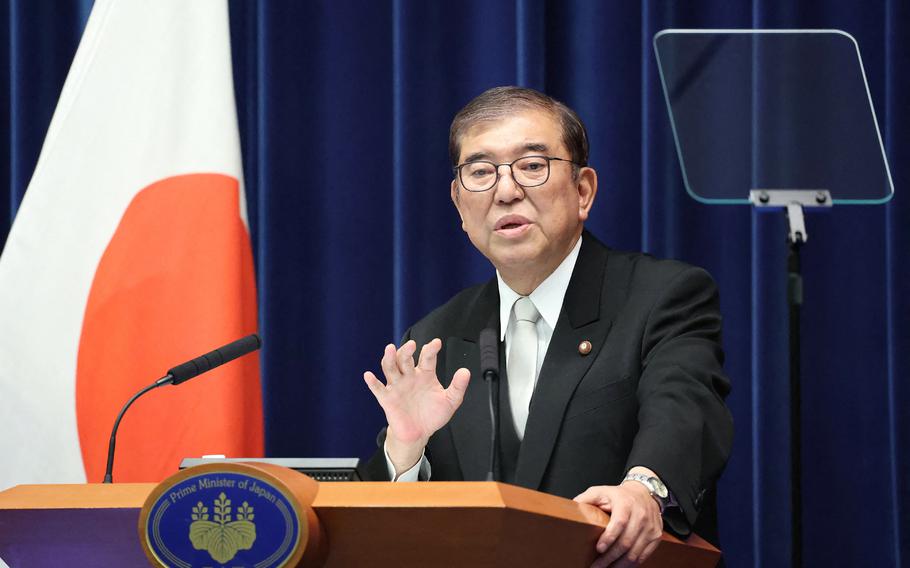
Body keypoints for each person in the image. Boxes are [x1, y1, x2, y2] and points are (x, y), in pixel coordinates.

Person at [362, 86, 733, 567]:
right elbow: (390, 534)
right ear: (458, 205)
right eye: (480, 172)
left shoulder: (662, 296)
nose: (506, 191)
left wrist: (643, 489)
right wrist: (407, 451)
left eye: (532, 166)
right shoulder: (436, 340)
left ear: (583, 191)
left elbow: (685, 407)